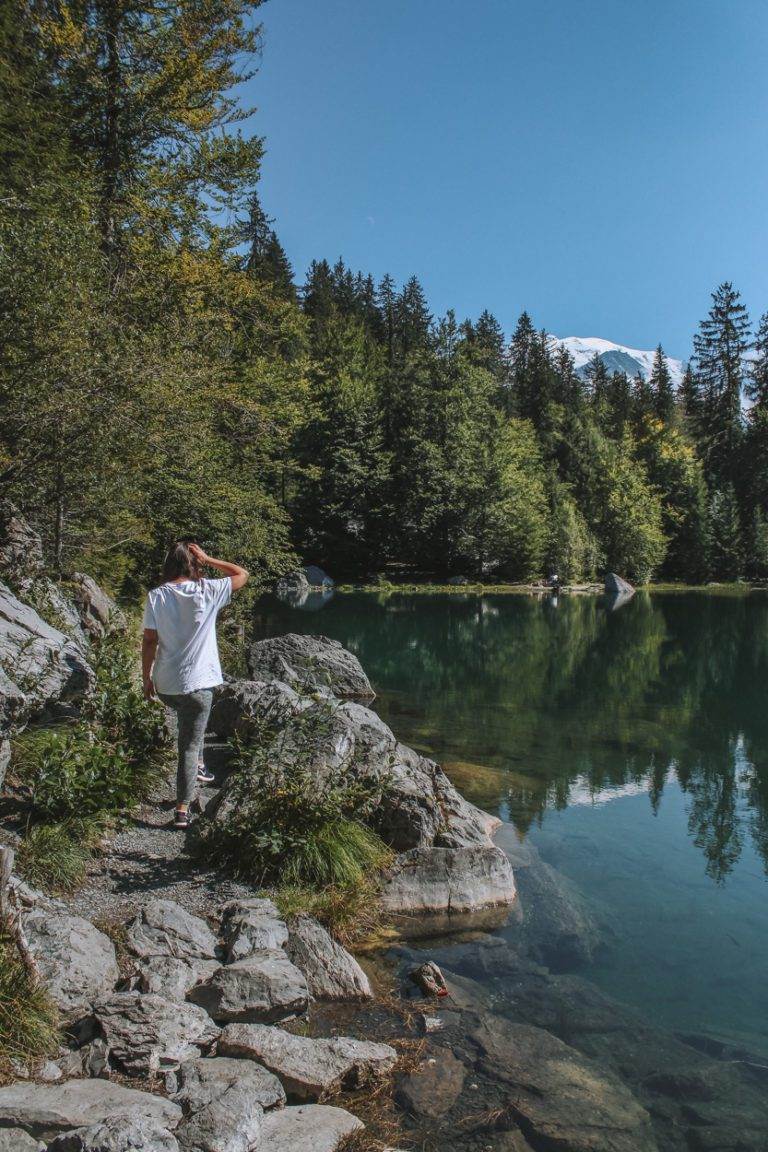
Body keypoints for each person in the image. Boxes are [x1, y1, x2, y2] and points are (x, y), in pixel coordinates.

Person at [141, 541, 249, 828]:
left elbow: (149, 641)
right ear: (194, 564)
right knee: (188, 746)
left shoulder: (156, 596)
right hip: (199, 686)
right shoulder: (207, 590)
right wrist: (209, 558)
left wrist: (146, 678)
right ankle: (182, 810)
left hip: (166, 685)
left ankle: (199, 766)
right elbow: (242, 574)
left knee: (189, 726)